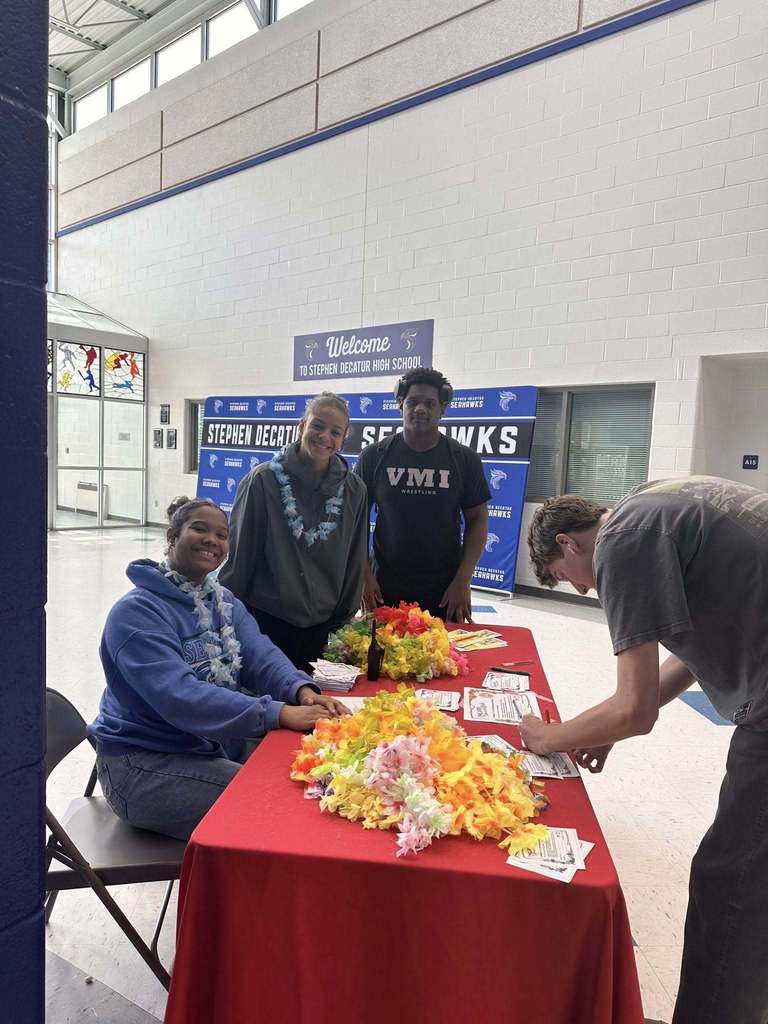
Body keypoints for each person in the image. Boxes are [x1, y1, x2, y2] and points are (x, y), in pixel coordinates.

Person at [521, 476, 768, 1024]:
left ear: (569, 544)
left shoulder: (620, 543)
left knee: (733, 880)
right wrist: (604, 727)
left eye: (569, 581)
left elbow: (635, 711)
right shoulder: (653, 503)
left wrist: (546, 736)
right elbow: (692, 652)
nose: (585, 592)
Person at [89, 497, 349, 841]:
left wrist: (302, 692)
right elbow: (180, 696)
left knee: (321, 777)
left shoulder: (222, 601)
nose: (212, 540)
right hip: (145, 766)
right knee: (283, 810)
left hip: (211, 748)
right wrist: (277, 713)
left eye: (222, 534)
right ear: (172, 535)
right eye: (199, 529)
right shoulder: (136, 613)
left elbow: (260, 655)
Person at [218, 392, 368, 670]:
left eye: (335, 432)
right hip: (266, 623)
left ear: (344, 438)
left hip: (325, 628)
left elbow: (355, 559)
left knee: (318, 708)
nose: (325, 436)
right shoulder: (263, 481)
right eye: (318, 425)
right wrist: (226, 622)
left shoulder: (354, 490)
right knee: (272, 706)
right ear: (302, 426)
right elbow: (240, 558)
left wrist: (344, 622)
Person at [354, 367, 490, 622]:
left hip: (446, 591)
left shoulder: (464, 459)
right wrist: (364, 577)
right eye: (412, 402)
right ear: (399, 405)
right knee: (382, 659)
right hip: (384, 587)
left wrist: (463, 580)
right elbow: (355, 520)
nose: (420, 409)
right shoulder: (373, 457)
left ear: (443, 409)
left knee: (446, 661)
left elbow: (478, 520)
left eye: (430, 403)